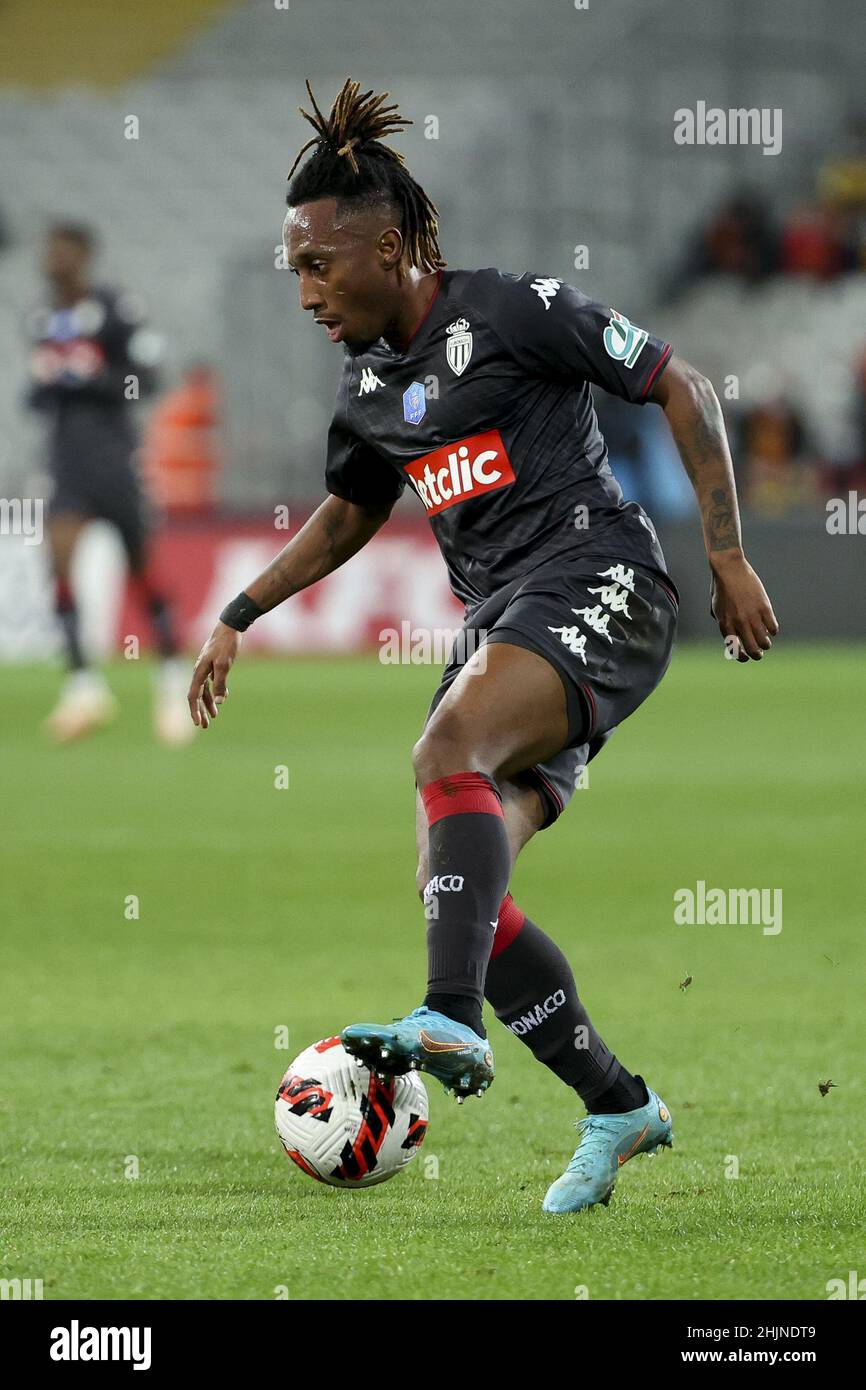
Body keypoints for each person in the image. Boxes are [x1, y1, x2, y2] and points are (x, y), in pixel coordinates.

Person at [187, 80, 779, 1212]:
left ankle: (446, 1021)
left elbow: (679, 383)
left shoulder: (511, 310)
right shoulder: (367, 388)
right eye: (295, 268)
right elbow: (351, 513)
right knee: (458, 879)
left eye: (321, 264)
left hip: (601, 578)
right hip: (507, 618)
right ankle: (615, 1105)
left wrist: (728, 555)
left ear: (396, 245)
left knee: (442, 747)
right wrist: (238, 612)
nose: (305, 290)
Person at [27, 222, 191, 744]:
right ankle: (83, 688)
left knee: (142, 575)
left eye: (61, 250)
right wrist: (42, 388)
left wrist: (89, 380)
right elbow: (36, 394)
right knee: (56, 563)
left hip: (116, 462)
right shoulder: (41, 318)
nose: (51, 259)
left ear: (83, 256)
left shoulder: (116, 309)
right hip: (67, 465)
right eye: (48, 250)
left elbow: (146, 376)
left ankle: (171, 682)